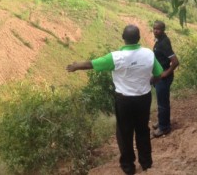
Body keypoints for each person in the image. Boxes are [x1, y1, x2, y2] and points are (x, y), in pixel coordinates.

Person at [67, 25, 162, 174]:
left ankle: (128, 167)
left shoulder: (116, 57)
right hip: (144, 98)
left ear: (123, 38)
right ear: (139, 38)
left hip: (124, 101)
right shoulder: (148, 54)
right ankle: (146, 164)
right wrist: (148, 81)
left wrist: (75, 66)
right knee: (143, 130)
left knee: (124, 133)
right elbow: (159, 74)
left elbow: (92, 64)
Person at [151, 21, 179, 137]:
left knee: (163, 103)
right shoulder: (160, 40)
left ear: (163, 30)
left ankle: (164, 127)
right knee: (161, 101)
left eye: (158, 29)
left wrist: (166, 73)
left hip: (164, 78)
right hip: (159, 77)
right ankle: (162, 121)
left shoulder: (164, 43)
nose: (155, 31)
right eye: (154, 29)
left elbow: (175, 62)